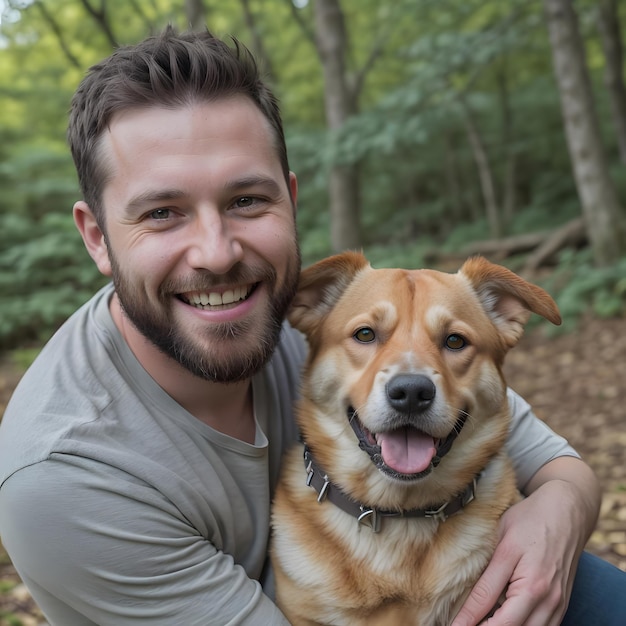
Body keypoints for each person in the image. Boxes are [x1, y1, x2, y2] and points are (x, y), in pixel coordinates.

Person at [0, 26, 623, 626]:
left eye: (246, 200)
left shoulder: (308, 313)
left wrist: (557, 515)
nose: (217, 253)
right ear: (97, 237)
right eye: (163, 213)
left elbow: (556, 465)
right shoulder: (63, 479)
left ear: (290, 201)